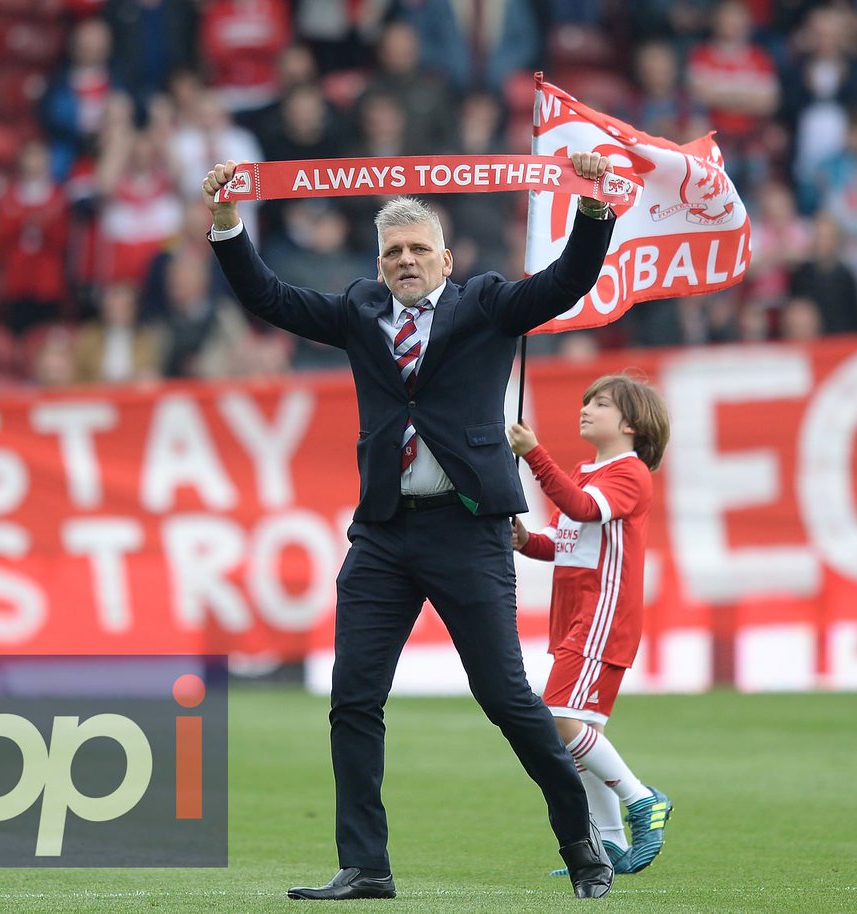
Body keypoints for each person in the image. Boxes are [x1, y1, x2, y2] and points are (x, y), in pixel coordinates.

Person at [203, 150, 618, 900]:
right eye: (393, 251)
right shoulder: (359, 311)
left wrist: (591, 209)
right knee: (354, 699)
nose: (405, 260)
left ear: (446, 260)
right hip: (385, 534)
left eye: (419, 249)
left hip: (468, 530)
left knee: (505, 697)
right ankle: (366, 865)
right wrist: (229, 222)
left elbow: (566, 282)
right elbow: (269, 298)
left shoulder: (487, 304)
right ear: (379, 263)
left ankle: (580, 838)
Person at [508, 373, 672, 877]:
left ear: (631, 424)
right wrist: (526, 541)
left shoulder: (629, 473)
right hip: (577, 615)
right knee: (581, 733)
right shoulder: (586, 471)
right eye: (587, 402)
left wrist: (535, 455)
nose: (586, 410)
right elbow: (565, 544)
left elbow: (580, 508)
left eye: (601, 404)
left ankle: (642, 799)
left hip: (603, 615)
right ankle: (612, 843)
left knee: (558, 717)